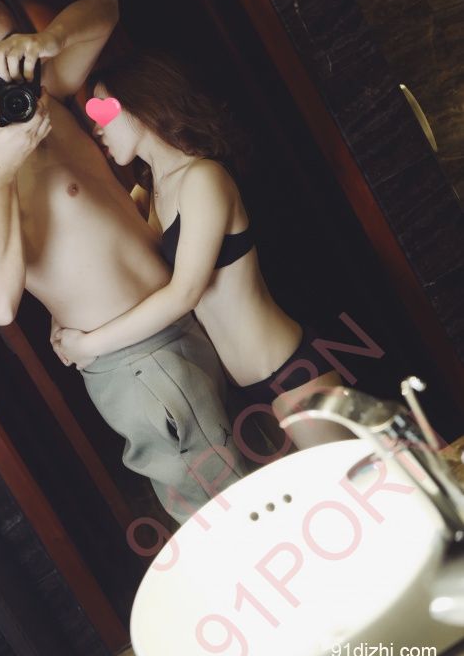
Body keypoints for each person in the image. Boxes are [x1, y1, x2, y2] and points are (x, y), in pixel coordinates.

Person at [0, 0, 247, 523]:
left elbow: (106, 9)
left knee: (270, 480)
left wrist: (46, 40)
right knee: (237, 518)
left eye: (4, 44)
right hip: (139, 363)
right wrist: (2, 171)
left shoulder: (43, 92)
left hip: (194, 318)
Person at [50, 52, 343, 450]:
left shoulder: (203, 178)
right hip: (238, 389)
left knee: (368, 482)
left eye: (106, 111)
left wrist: (91, 345)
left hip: (286, 370)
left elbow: (185, 292)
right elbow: (104, 248)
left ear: (142, 104)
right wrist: (60, 316)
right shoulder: (151, 188)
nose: (98, 127)